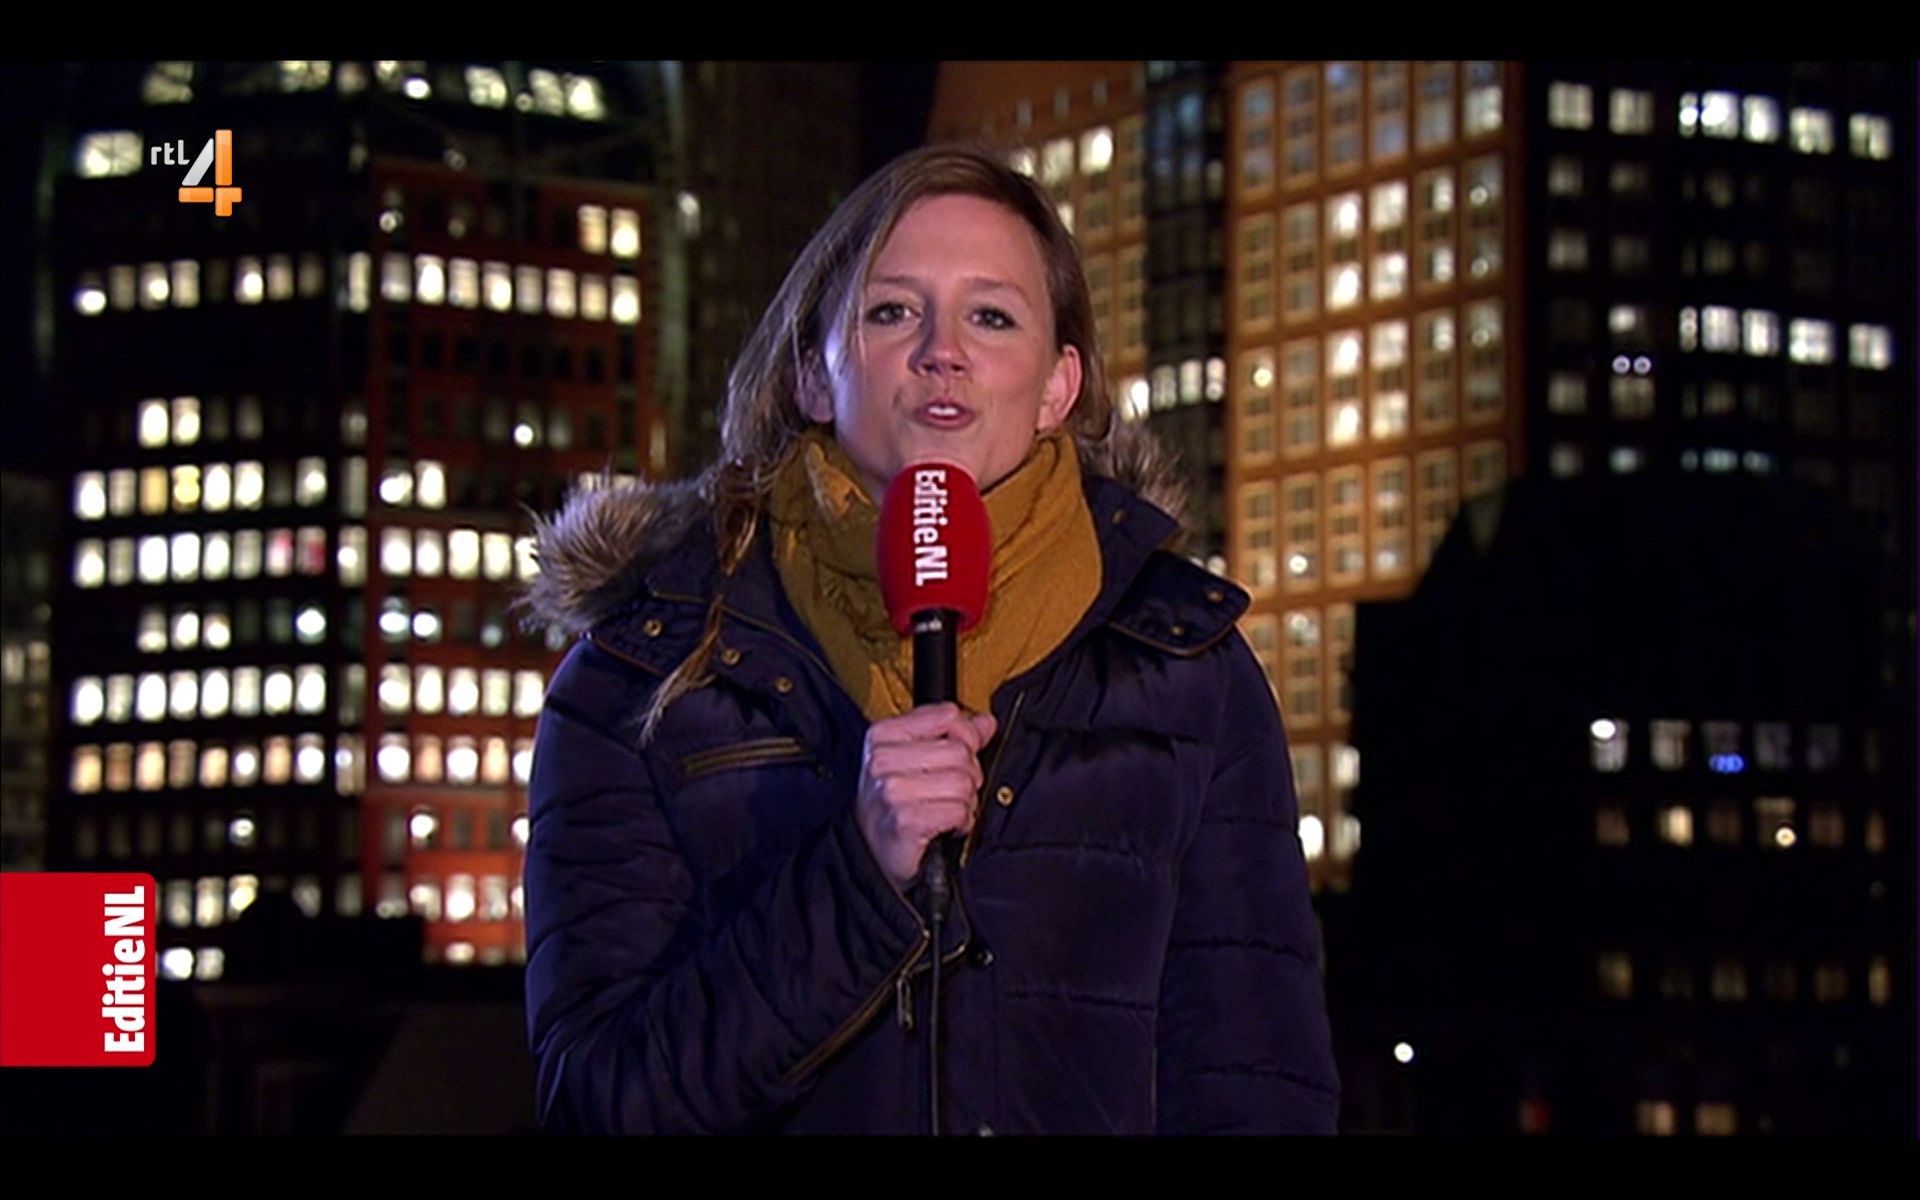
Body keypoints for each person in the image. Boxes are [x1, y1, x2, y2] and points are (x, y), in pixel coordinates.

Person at [519, 145, 1339, 1135]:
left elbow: (1257, 1082)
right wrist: (858, 876)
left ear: (1058, 385)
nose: (941, 352)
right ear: (814, 374)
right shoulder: (639, 674)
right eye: (892, 312)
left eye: (991, 317)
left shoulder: (1188, 670)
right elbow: (596, 1101)